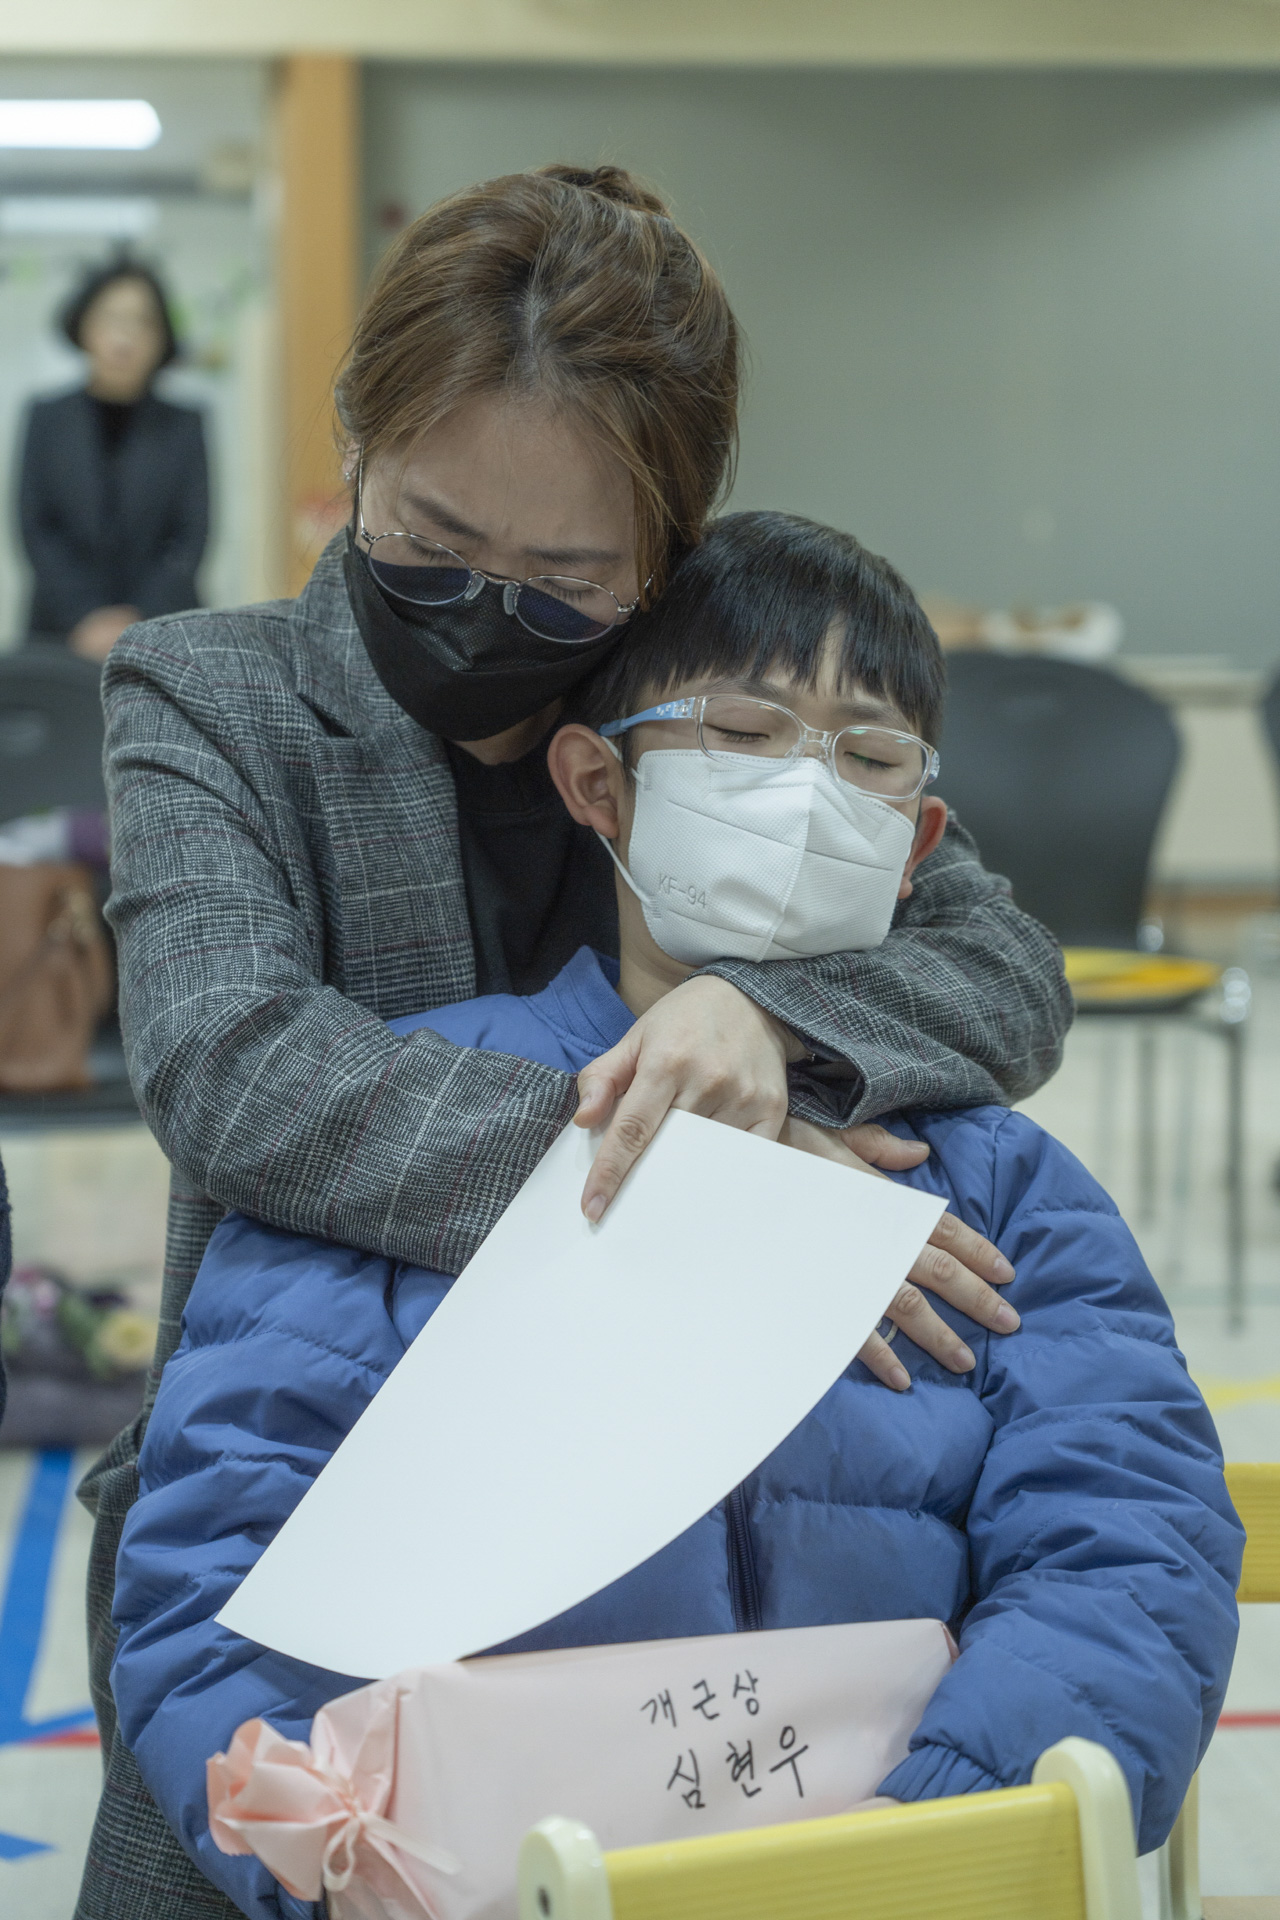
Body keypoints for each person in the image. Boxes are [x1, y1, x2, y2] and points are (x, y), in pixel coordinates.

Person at [76, 167, 1072, 1919]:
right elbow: (235, 1067)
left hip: (689, 1581)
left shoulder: (695, 705)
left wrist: (760, 1010)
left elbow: (998, 962)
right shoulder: (213, 696)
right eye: (430, 543)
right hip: (303, 1503)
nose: (486, 612)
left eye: (562, 579)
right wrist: (686, 1174)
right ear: (355, 442)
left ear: (664, 555)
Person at [110, 513, 1240, 1920]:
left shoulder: (998, 1181)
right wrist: (361, 1858)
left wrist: (936, 1840)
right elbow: (224, 1564)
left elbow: (1129, 1544)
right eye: (744, 733)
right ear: (600, 783)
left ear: (916, 843)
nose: (807, 790)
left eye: (869, 758)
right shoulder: (407, 1127)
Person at [18, 258, 208, 658]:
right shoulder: (46, 417)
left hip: (163, 634)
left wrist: (135, 622)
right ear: (84, 326)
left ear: (162, 337)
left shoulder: (185, 425)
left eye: (143, 322)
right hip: (60, 632)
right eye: (111, 318)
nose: (125, 337)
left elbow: (190, 536)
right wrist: (84, 617)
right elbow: (36, 527)